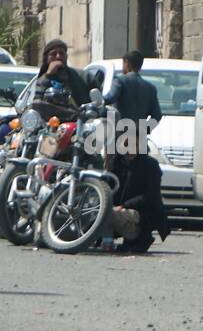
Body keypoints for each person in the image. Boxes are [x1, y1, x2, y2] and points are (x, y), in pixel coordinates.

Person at [104, 50, 170, 252]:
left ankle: (109, 229)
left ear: (126, 64)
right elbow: (157, 115)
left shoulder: (120, 81)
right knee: (138, 179)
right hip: (138, 139)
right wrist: (142, 129)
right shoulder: (150, 87)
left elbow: (109, 98)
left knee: (111, 179)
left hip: (119, 139)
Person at [18, 39, 92, 115]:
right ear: (46, 59)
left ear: (66, 56)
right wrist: (48, 75)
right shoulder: (42, 80)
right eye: (53, 54)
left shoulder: (84, 76)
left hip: (79, 121)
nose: (58, 56)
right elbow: (37, 101)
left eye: (61, 53)